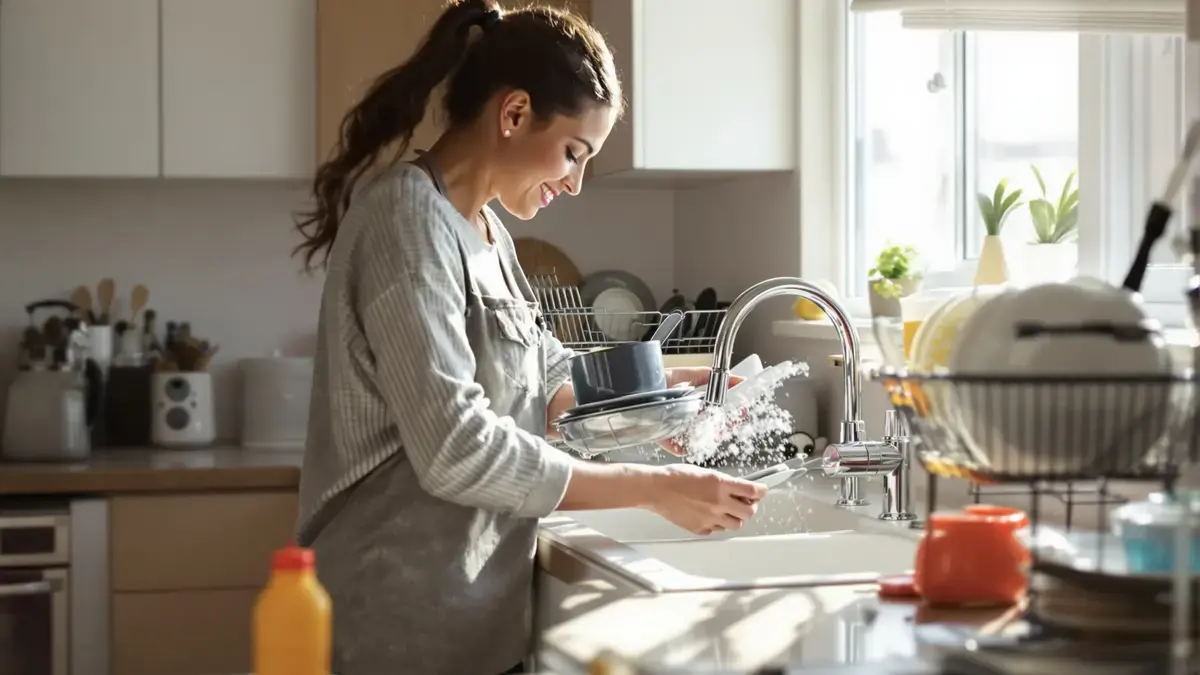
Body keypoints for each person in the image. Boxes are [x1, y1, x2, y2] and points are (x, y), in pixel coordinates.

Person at [291, 1, 769, 673]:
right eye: (574, 153)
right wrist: (652, 484)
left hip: (476, 621)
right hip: (392, 626)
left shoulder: (490, 234)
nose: (575, 183)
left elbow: (549, 380)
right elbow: (455, 446)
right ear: (513, 114)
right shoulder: (406, 218)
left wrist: (667, 393)